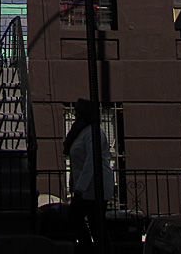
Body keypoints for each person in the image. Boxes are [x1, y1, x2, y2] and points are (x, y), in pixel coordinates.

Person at [64, 98, 114, 250]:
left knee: (83, 220)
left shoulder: (94, 133)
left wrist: (80, 188)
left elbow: (91, 162)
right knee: (92, 224)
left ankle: (92, 248)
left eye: (79, 113)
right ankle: (92, 248)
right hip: (86, 189)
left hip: (94, 188)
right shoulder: (82, 132)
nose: (76, 116)